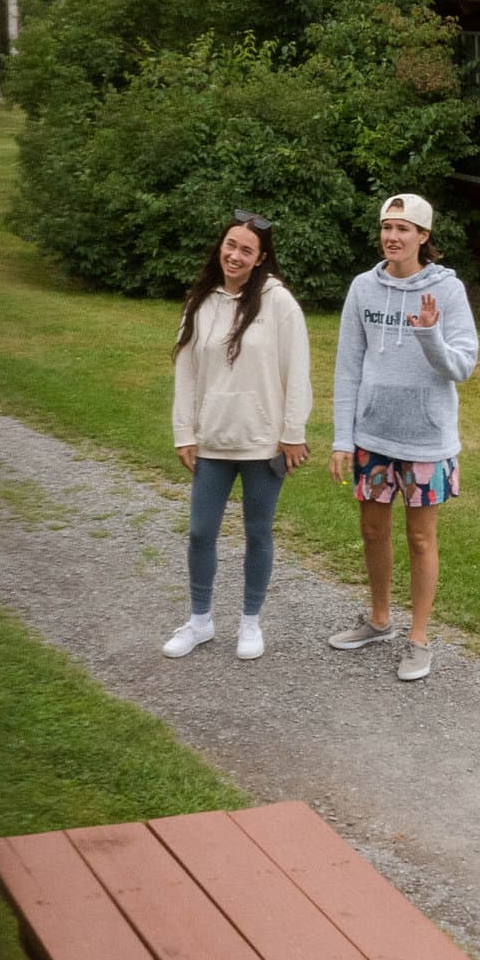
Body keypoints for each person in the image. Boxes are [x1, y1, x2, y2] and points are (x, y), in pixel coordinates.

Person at [327, 193, 478, 681]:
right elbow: (348, 367)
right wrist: (342, 439)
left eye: (404, 229)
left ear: (424, 237)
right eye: (387, 228)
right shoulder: (362, 289)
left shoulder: (447, 292)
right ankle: (378, 620)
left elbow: (463, 366)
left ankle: (418, 638)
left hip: (426, 440)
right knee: (372, 531)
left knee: (419, 537)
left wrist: (430, 334)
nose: (393, 237)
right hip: (373, 435)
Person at [164, 210, 312, 661]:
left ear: (260, 257)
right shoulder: (200, 303)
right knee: (200, 532)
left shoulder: (279, 303)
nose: (235, 255)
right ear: (221, 247)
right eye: (230, 245)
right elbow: (186, 373)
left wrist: (293, 433)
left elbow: (297, 371)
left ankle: (250, 622)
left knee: (258, 533)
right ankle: (200, 621)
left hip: (263, 442)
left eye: (246, 249)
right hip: (212, 441)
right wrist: (183, 433)